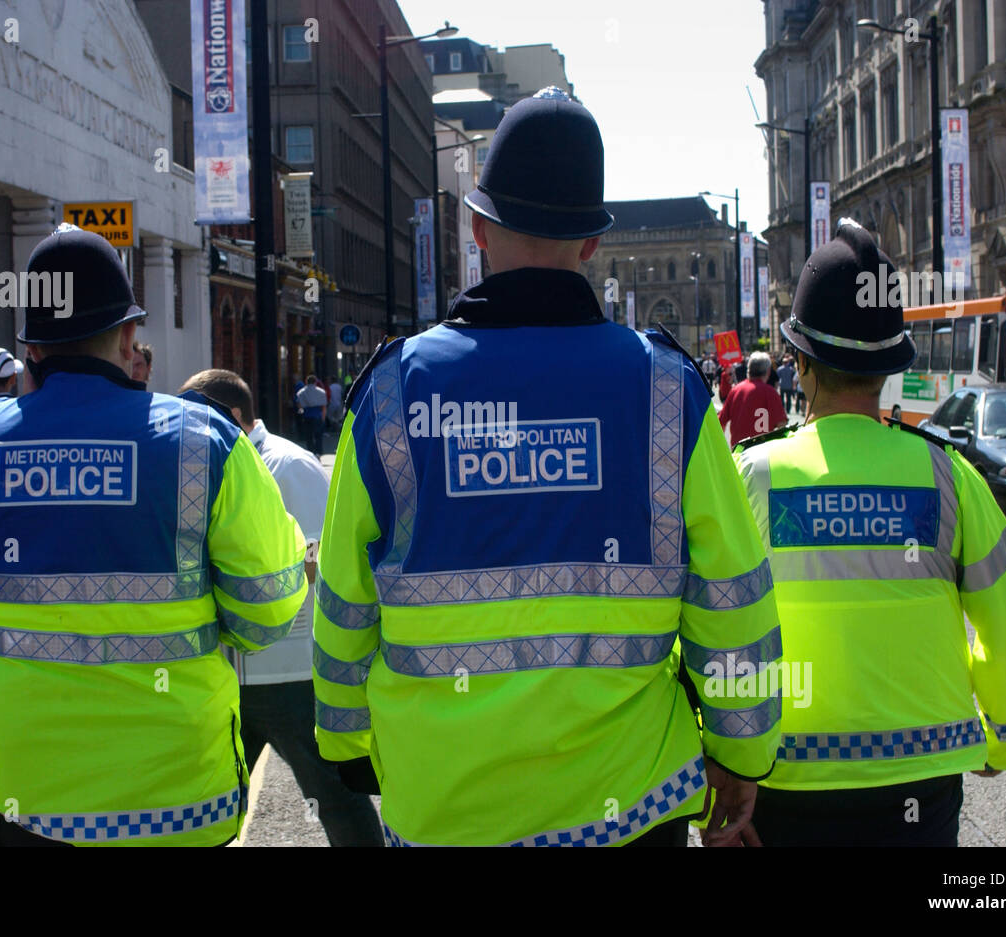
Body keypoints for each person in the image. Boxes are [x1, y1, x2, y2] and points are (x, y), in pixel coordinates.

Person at [312, 88, 780, 847]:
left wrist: (347, 745)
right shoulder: (667, 389)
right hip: (628, 807)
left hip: (444, 812)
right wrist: (742, 749)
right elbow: (732, 599)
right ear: (593, 243)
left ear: (476, 227)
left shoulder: (394, 391)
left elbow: (343, 601)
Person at [0, 227, 307, 845]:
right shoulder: (205, 444)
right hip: (176, 801)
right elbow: (267, 610)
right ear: (127, 336)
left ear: (32, 348)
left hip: (17, 794)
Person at [734, 220, 1006, 847]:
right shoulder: (947, 476)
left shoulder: (752, 475)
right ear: (891, 364)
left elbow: (709, 627)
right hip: (919, 787)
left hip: (783, 783)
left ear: (799, 363)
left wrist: (720, 765)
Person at [178, 369, 383, 847]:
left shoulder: (290, 464)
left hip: (290, 675)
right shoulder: (206, 464)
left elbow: (320, 559)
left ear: (231, 416)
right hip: (228, 674)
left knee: (337, 801)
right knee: (204, 807)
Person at [718, 351, 788, 450]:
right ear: (768, 371)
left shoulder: (736, 390)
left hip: (739, 451)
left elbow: (721, 422)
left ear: (749, 369)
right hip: (763, 451)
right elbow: (782, 425)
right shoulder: (770, 392)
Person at [293, 375, 327, 458]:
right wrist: (323, 417)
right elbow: (323, 407)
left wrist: (301, 409)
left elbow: (298, 403)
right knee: (318, 435)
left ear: (306, 382)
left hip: (307, 415)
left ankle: (311, 451)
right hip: (317, 415)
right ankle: (318, 452)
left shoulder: (301, 392)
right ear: (315, 382)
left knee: (309, 436)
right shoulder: (321, 392)